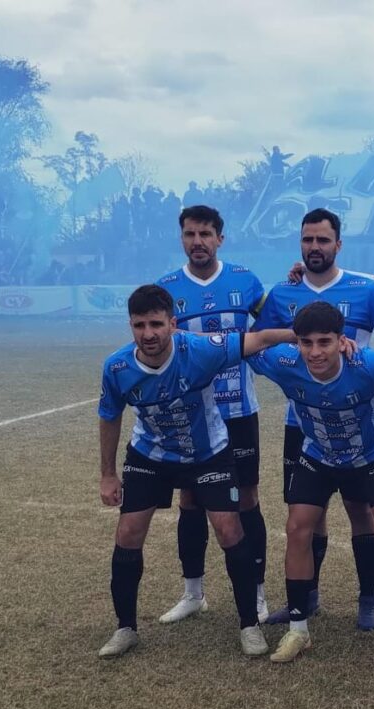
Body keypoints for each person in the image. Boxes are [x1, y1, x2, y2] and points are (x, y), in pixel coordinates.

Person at [97, 285, 295, 659]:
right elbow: (109, 416)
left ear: (173, 324)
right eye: (139, 325)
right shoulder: (117, 367)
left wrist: (303, 334)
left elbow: (259, 339)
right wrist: (108, 474)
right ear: (131, 326)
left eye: (156, 324)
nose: (148, 333)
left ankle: (249, 624)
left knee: (229, 528)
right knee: (128, 533)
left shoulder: (200, 350)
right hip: (150, 456)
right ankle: (125, 628)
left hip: (208, 454)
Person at [248, 302, 374, 665]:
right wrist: (288, 335)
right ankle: (298, 630)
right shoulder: (284, 361)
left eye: (325, 342)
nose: (315, 352)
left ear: (341, 340)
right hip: (319, 455)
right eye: (306, 343)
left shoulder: (368, 363)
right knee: (297, 528)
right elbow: (245, 344)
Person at [256, 208, 374, 631]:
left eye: (323, 240)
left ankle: (368, 600)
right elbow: (257, 342)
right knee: (307, 513)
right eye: (308, 240)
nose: (315, 247)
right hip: (303, 423)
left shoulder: (365, 290)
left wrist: (360, 353)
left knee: (360, 510)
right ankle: (307, 599)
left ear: (338, 244)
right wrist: (295, 335)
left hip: (357, 423)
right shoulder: (282, 293)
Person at [156, 205, 270, 626]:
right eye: (190, 234)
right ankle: (193, 593)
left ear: (220, 238)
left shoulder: (245, 280)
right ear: (182, 238)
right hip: (191, 417)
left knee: (247, 498)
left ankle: (257, 593)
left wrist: (295, 280)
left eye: (205, 234)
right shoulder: (166, 288)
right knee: (190, 498)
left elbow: (273, 322)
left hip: (238, 411)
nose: (198, 241)